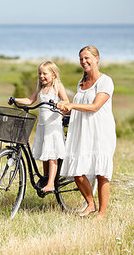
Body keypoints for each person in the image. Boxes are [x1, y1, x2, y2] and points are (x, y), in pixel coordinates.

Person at [57, 45, 116, 220]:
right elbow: (80, 108)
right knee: (77, 170)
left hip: (100, 131)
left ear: (97, 58)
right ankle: (90, 204)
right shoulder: (81, 83)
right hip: (81, 131)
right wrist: (67, 110)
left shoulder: (105, 81)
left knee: (101, 172)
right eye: (81, 59)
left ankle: (102, 213)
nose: (84, 61)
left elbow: (95, 106)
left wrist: (72, 105)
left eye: (87, 58)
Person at [13, 61, 69, 193]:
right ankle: (46, 178)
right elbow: (30, 100)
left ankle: (51, 184)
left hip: (53, 126)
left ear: (54, 75)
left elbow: (66, 101)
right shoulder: (41, 88)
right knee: (45, 152)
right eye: (39, 73)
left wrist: (60, 105)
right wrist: (16, 100)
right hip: (43, 126)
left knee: (52, 154)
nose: (41, 76)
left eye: (45, 73)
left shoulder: (57, 87)